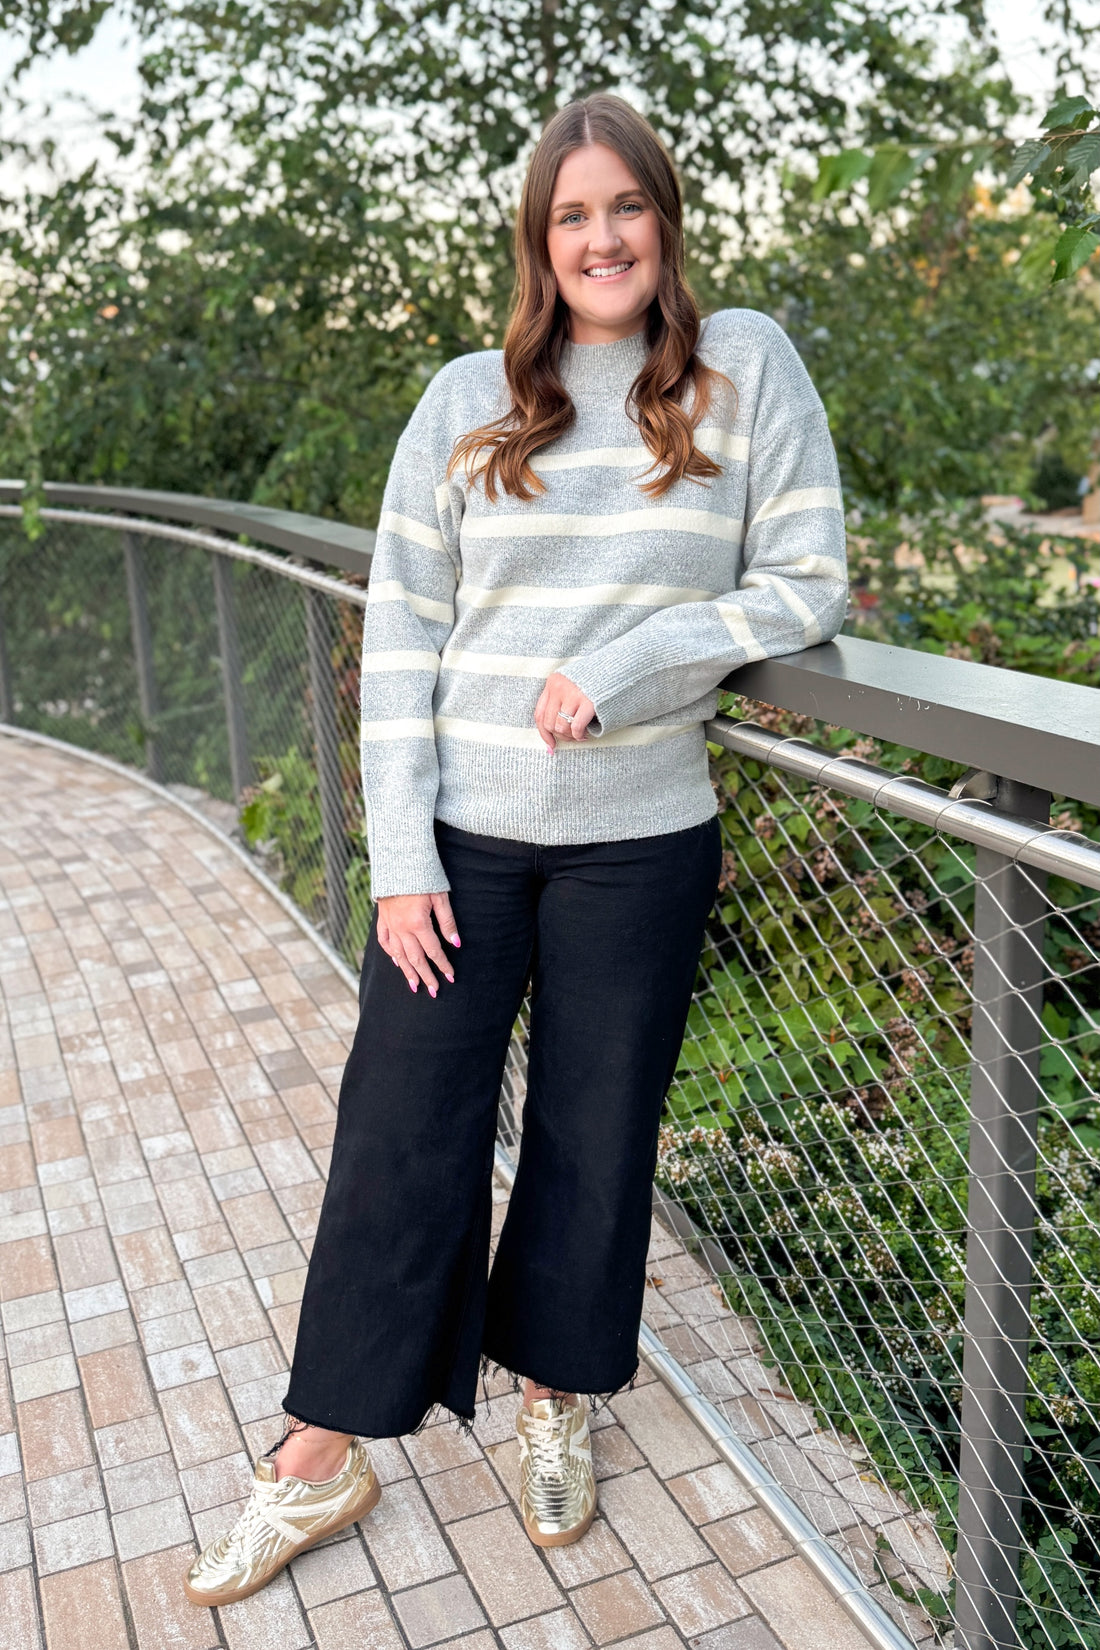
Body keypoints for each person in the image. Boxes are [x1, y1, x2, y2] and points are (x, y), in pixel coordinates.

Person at [183, 89, 847, 1608]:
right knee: (400, 1128)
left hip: (642, 838)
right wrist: (402, 857)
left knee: (596, 1134)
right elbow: (402, 639)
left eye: (627, 208)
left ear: (665, 222)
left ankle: (557, 1391)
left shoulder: (741, 370)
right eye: (573, 215)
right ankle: (321, 1444)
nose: (603, 236)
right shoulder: (464, 399)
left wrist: (641, 659)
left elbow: (807, 582)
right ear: (538, 243)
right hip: (464, 845)